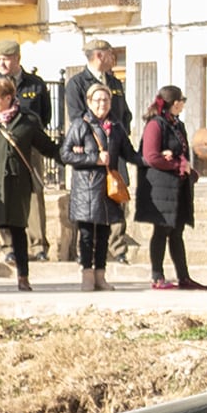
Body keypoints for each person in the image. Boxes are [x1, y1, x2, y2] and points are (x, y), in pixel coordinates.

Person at [0, 75, 57, 292]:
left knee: (19, 230)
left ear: (8, 98)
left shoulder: (26, 122)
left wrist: (71, 156)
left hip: (18, 185)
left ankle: (23, 277)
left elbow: (47, 146)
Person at [62, 40, 135, 262]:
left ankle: (118, 248)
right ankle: (86, 252)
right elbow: (76, 117)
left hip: (113, 151)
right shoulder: (76, 83)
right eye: (110, 54)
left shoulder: (114, 82)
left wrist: (119, 134)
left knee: (116, 197)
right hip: (90, 155)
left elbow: (125, 114)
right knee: (87, 204)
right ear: (99, 56)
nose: (114, 58)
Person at [0, 40, 57, 258]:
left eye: (7, 58)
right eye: (0, 59)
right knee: (4, 193)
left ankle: (38, 246)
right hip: (1, 146)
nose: (3, 63)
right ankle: (10, 247)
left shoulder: (34, 84)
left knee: (35, 193)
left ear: (17, 58)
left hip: (30, 146)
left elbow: (45, 114)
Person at [62, 82, 131, 291]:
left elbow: (130, 152)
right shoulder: (80, 125)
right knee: (85, 234)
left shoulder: (115, 127)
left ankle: (101, 275)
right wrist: (94, 158)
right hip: (86, 188)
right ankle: (87, 275)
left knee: (103, 234)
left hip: (107, 188)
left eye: (106, 100)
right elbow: (66, 154)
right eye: (98, 100)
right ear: (89, 102)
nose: (102, 104)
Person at [137, 84, 203, 290]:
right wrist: (176, 164)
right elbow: (151, 156)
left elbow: (180, 151)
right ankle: (157, 276)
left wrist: (188, 171)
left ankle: (184, 276)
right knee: (161, 229)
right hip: (161, 187)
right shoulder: (156, 125)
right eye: (182, 101)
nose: (183, 105)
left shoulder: (175, 124)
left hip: (178, 187)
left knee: (176, 231)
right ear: (175, 103)